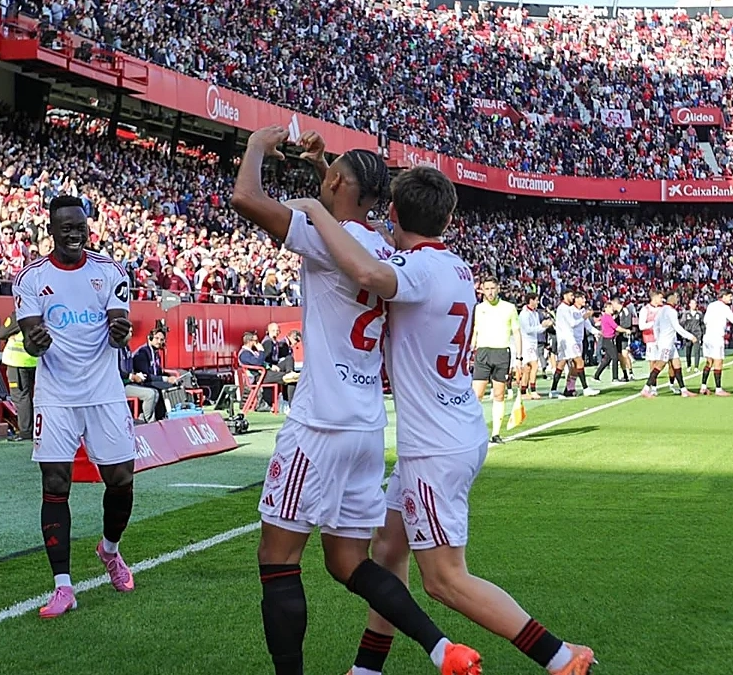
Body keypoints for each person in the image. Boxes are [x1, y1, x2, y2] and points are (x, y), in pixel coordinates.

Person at [287, 164, 595, 675]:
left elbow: (368, 271)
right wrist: (330, 176)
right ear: (448, 218)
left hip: (434, 447)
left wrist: (319, 209)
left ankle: (559, 657)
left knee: (445, 579)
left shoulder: (412, 273)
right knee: (387, 548)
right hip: (451, 430)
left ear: (391, 213)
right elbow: (382, 244)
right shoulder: (454, 266)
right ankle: (367, 669)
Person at [230, 126, 481, 675]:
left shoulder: (325, 238)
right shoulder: (386, 248)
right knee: (348, 563)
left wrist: (255, 146)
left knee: (277, 560)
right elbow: (349, 211)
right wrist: (328, 171)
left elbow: (245, 198)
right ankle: (441, 647)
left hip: (321, 422)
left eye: (333, 174)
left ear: (341, 183)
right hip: (368, 427)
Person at [12, 195, 137, 619]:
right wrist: (36, 342)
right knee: (56, 484)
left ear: (87, 228)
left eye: (79, 225)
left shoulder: (109, 271)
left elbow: (120, 326)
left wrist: (120, 332)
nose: (73, 232)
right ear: (52, 229)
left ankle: (110, 550)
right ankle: (63, 586)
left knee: (120, 480)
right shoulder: (31, 278)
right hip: (57, 395)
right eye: (65, 226)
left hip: (104, 391)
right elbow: (31, 334)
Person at [471, 278, 521, 442]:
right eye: (487, 288)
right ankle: (475, 431)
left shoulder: (509, 308)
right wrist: (469, 352)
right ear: (482, 290)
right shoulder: (478, 309)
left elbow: (516, 333)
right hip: (483, 352)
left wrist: (519, 358)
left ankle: (495, 433)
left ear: (498, 288)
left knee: (499, 394)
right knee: (476, 394)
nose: (490, 292)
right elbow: (475, 331)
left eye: (493, 288)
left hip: (501, 353)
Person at [644, 292, 698, 397]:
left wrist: (657, 339)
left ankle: (683, 390)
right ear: (671, 299)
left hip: (667, 343)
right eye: (676, 297)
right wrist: (690, 336)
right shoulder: (671, 311)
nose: (677, 299)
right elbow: (677, 327)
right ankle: (646, 389)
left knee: (677, 365)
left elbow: (655, 326)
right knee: (660, 365)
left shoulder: (661, 310)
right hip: (667, 344)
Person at [122, 327, 178, 422]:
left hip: (138, 381)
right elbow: (146, 376)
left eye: (161, 339)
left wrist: (169, 377)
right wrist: (165, 379)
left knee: (173, 385)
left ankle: (167, 416)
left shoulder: (156, 353)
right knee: (160, 390)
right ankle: (149, 421)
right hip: (138, 382)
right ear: (150, 338)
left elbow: (158, 372)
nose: (159, 341)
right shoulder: (142, 353)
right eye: (156, 338)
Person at [0, 309, 38, 440]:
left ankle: (26, 432)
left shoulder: (21, 313)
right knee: (33, 397)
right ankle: (36, 430)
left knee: (21, 397)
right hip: (35, 361)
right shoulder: (42, 312)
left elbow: (1, 333)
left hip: (18, 361)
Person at [698, 290, 733, 396]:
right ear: (723, 296)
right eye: (729, 296)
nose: (731, 299)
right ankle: (718, 389)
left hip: (707, 336)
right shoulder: (724, 308)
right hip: (716, 337)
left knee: (708, 362)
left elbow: (705, 320)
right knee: (718, 362)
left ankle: (703, 387)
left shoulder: (711, 305)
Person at [517, 293, 551, 399]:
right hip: (526, 343)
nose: (537, 302)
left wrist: (545, 326)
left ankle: (523, 391)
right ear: (530, 301)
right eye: (536, 300)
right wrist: (541, 326)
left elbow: (537, 330)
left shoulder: (535, 313)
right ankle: (533, 390)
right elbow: (527, 330)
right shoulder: (524, 314)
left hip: (533, 342)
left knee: (527, 368)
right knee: (534, 365)